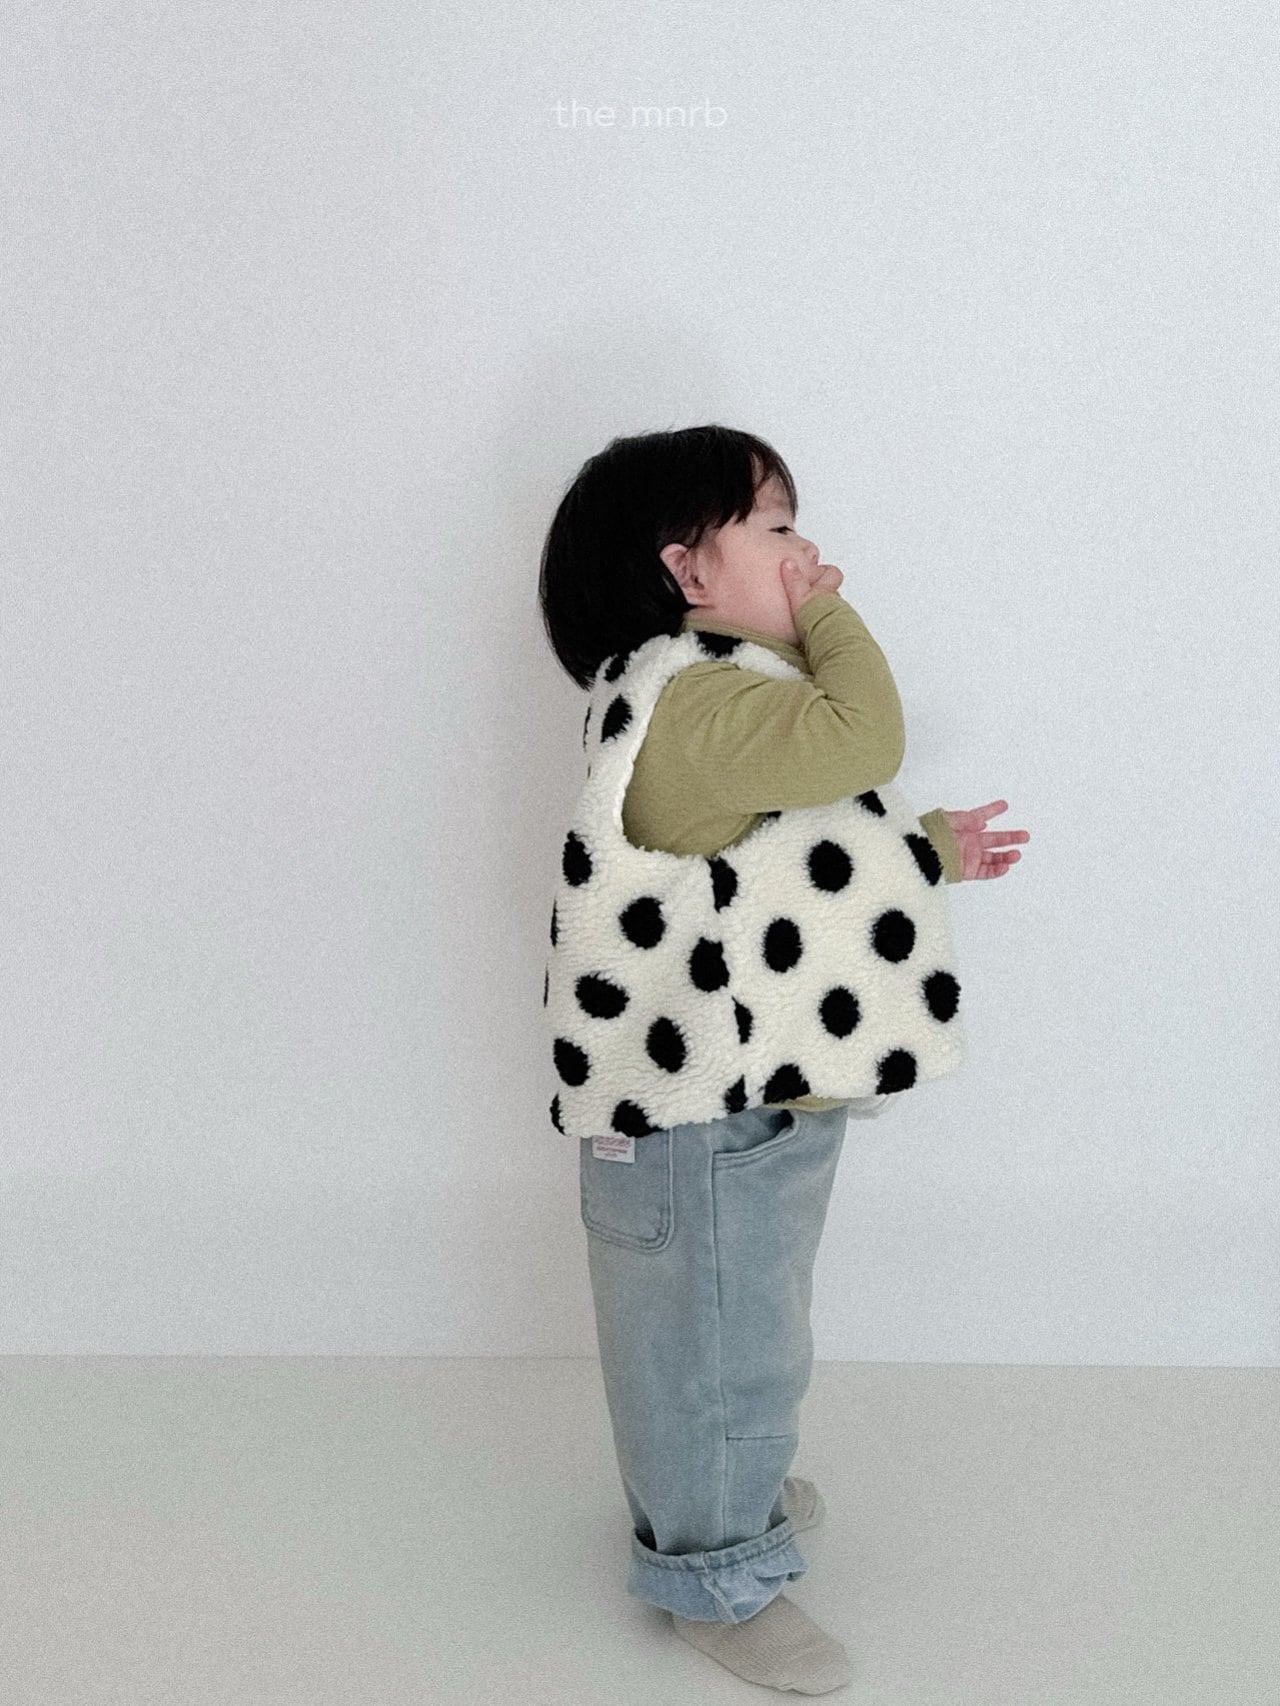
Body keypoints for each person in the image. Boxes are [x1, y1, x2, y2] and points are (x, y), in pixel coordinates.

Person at [538, 425, 1029, 1694]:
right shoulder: (701, 700)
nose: (809, 554)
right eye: (774, 528)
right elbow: (860, 738)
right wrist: (828, 615)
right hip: (700, 1118)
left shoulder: (711, 700)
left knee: (732, 1336)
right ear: (687, 569)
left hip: (733, 1106)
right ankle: (715, 1567)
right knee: (714, 1347)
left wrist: (929, 850)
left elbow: (784, 864)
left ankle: (725, 1496)